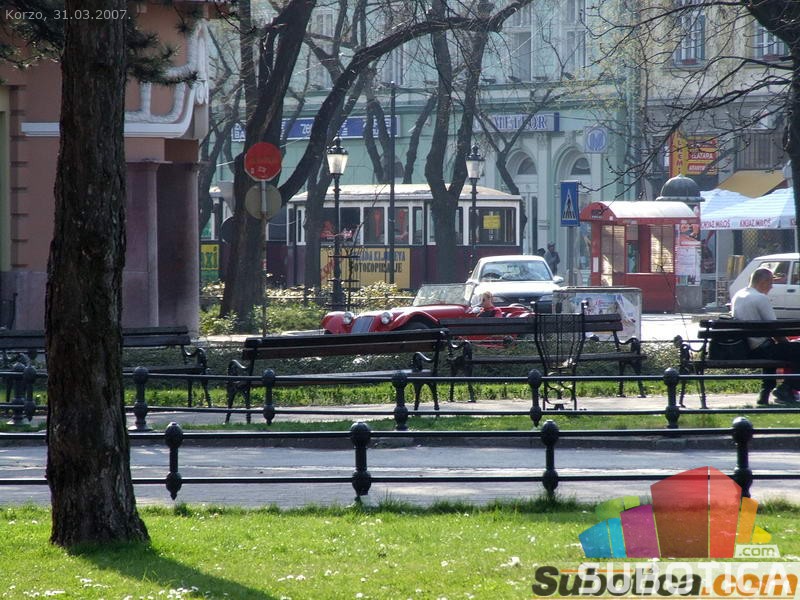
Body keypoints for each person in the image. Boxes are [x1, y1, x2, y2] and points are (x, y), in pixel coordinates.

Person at [731, 267, 800, 405]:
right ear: (763, 282)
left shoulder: (738, 295)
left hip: (746, 348)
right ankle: (787, 388)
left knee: (782, 349)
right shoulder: (760, 298)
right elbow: (775, 330)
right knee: (796, 349)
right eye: (770, 283)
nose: (771, 287)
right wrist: (788, 344)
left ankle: (765, 394)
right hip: (761, 349)